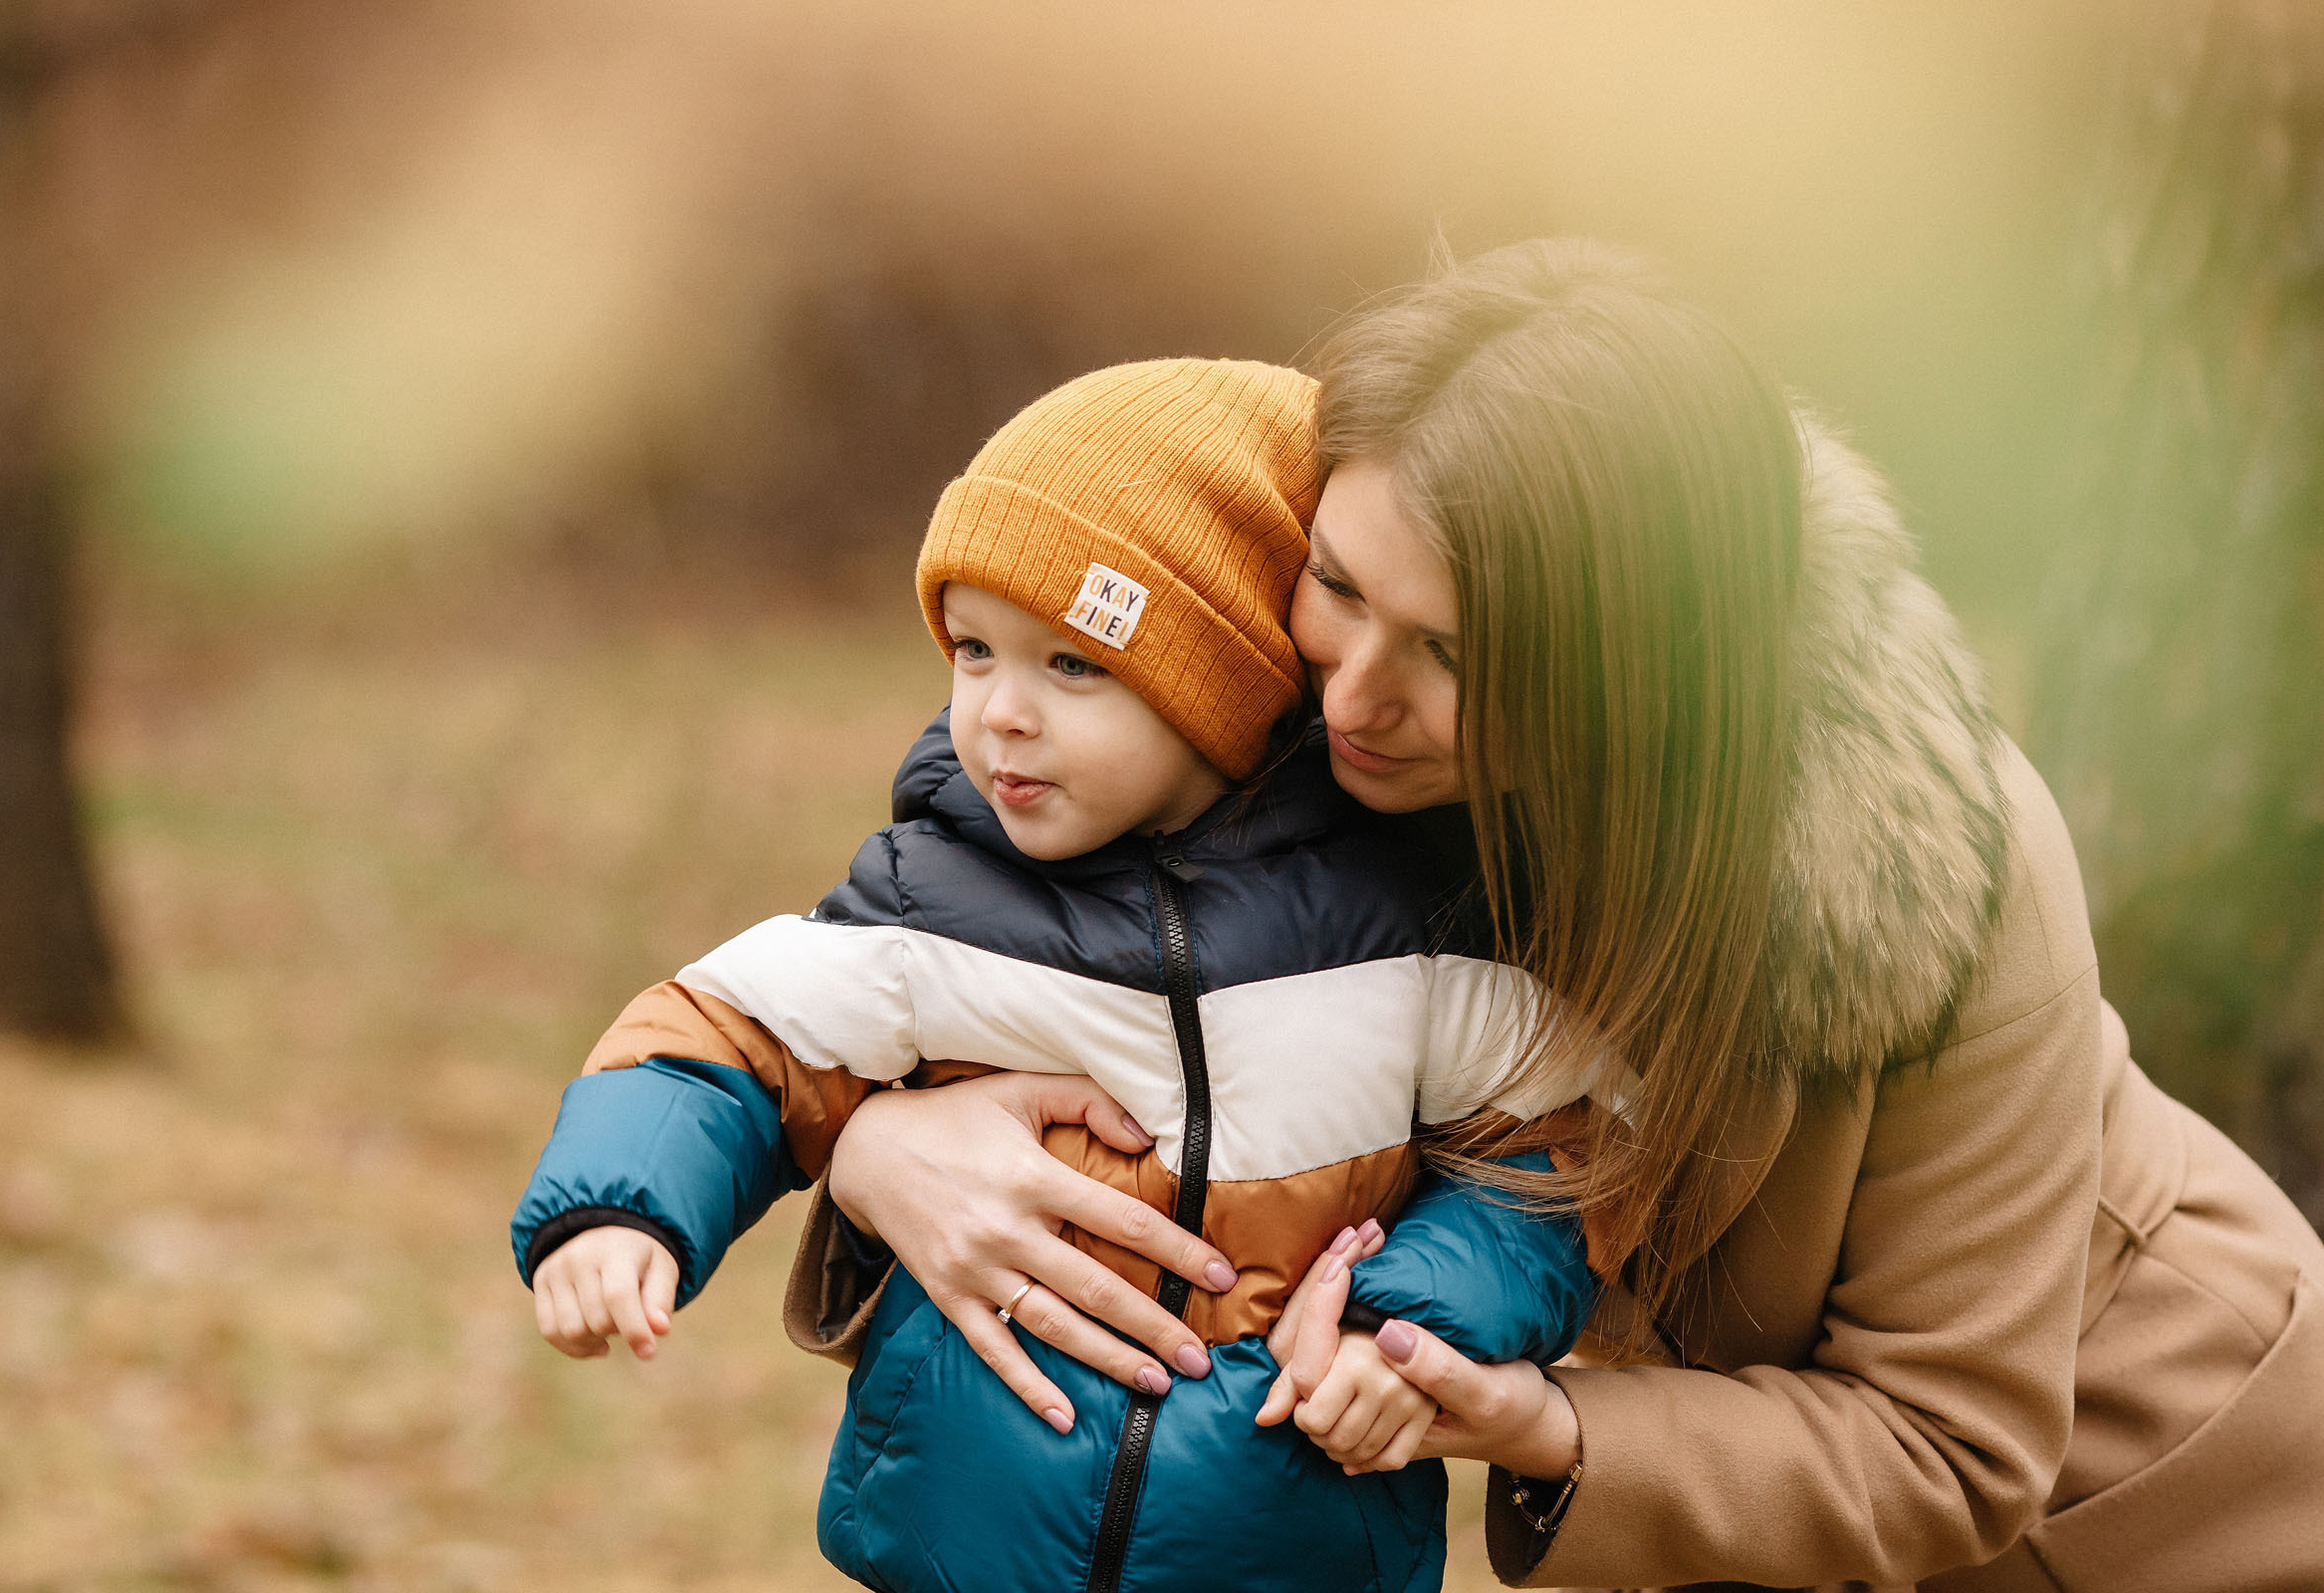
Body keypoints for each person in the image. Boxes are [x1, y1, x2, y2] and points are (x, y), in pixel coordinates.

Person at [798, 241, 2324, 1592]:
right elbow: (988, 961)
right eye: (1335, 582)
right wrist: (874, 1148)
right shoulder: (1293, 710)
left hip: (2146, 1497)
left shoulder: (1951, 864)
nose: (1356, 696)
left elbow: (1952, 1444)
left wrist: (1551, 1422)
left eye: (1459, 651)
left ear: (1635, 669)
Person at [507, 357, 1602, 1593]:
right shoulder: (934, 907)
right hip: (959, 1550)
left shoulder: (1404, 932)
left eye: (1071, 665)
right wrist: (618, 1205)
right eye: (973, 650)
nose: (1000, 714)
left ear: (1226, 683)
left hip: (1285, 1543)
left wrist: (1411, 1323)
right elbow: (722, 1037)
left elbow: (1547, 1154)